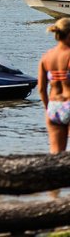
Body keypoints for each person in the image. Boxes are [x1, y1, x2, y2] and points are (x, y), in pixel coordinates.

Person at [38, 17, 70, 153]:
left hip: (53, 107)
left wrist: (47, 109)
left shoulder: (46, 57)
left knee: (55, 157)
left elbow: (41, 89)